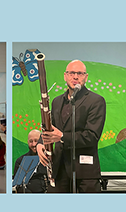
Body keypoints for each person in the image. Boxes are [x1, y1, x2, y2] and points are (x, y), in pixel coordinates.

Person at [36, 60, 106, 193]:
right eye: (71, 73)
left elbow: (91, 136)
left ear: (86, 77)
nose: (75, 77)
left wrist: (62, 137)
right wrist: (40, 143)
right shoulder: (57, 101)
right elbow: (51, 128)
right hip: (59, 168)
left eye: (79, 73)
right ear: (65, 76)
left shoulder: (96, 101)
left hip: (85, 172)